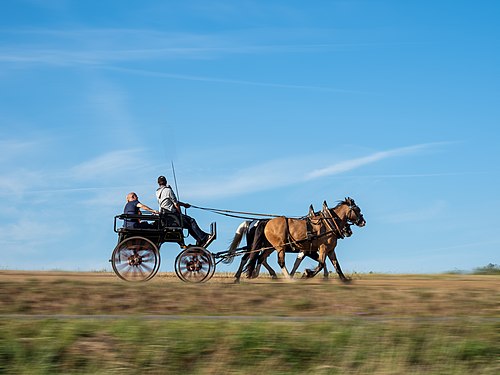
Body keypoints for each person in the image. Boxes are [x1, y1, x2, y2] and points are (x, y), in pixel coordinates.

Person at [156, 175, 209, 246]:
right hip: (172, 215)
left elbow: (169, 201)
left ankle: (199, 239)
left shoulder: (157, 192)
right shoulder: (168, 190)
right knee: (191, 220)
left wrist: (184, 205)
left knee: (188, 224)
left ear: (158, 183)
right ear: (166, 182)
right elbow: (176, 204)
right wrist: (180, 214)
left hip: (165, 215)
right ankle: (203, 237)